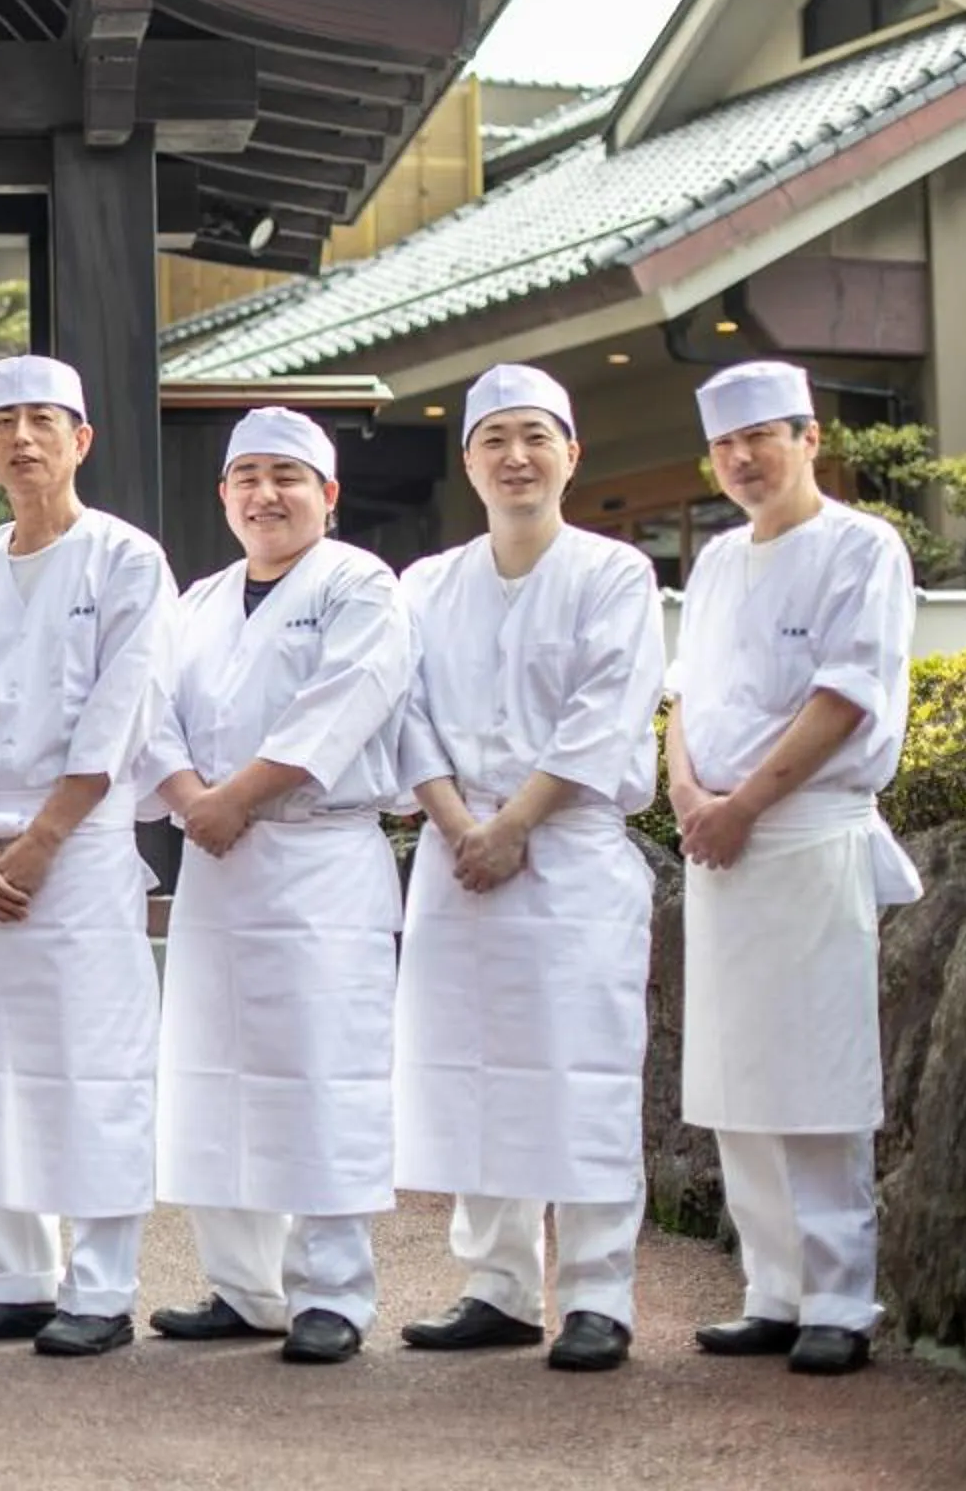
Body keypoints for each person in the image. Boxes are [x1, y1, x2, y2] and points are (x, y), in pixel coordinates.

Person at [0, 356, 175, 1361]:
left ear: (81, 439)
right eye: (4, 421)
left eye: (44, 420)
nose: (23, 438)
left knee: (92, 1059)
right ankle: (12, 1277)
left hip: (85, 845)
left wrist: (47, 835)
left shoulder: (127, 559)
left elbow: (123, 704)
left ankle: (100, 1284)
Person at [391, 365, 664, 1374]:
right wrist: (464, 821)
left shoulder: (614, 573)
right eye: (495, 437)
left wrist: (516, 822)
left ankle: (598, 1291)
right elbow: (404, 708)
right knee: (472, 1065)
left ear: (571, 453)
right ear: (468, 459)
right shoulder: (425, 585)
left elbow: (606, 709)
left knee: (582, 1069)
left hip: (571, 854)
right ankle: (497, 1284)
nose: (516, 455)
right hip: (459, 852)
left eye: (535, 436)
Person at [140, 406, 412, 1364]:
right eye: (246, 476)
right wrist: (187, 798)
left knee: (322, 1072)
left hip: (318, 859)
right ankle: (241, 1284)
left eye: (287, 476)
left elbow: (343, 703)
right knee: (213, 1070)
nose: (266, 494)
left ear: (328, 496)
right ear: (223, 496)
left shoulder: (359, 584)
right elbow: (150, 711)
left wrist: (235, 798)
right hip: (217, 860)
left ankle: (333, 1291)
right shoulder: (200, 599)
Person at [669, 359, 920, 1378]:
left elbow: (844, 696)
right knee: (735, 1073)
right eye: (726, 443)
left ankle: (840, 1296)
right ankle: (771, 1286)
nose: (741, 458)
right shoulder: (721, 558)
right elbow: (683, 691)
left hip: (807, 830)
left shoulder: (865, 547)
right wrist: (689, 795)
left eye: (761, 436)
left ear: (810, 437)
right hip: (717, 839)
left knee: (817, 1068)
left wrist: (744, 803)